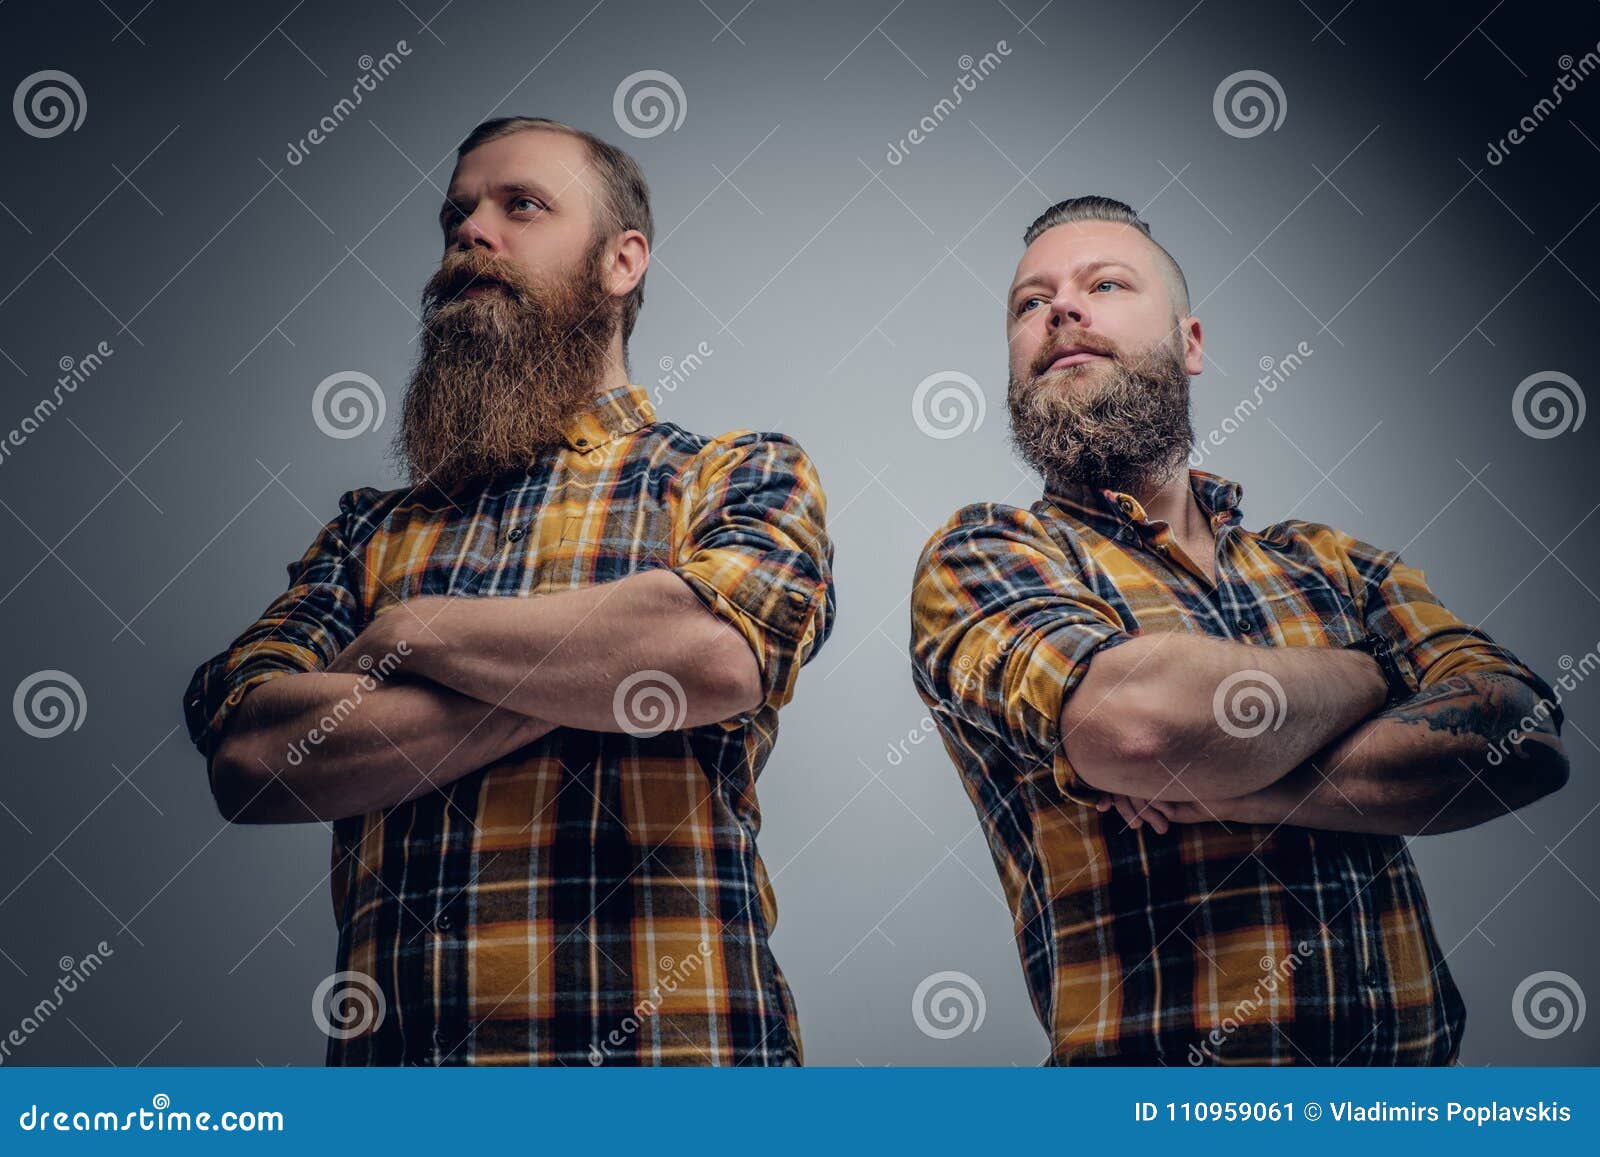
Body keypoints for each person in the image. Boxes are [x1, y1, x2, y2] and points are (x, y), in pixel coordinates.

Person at [182, 116, 834, 1066]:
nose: (471, 234)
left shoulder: (734, 475)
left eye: (520, 206)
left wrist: (417, 628)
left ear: (623, 262)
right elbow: (250, 754)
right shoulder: (370, 528)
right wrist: (594, 678)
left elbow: (710, 653)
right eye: (457, 216)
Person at [908, 195, 1568, 1065]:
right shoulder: (988, 554)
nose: (1060, 308)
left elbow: (1523, 736)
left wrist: (1235, 784)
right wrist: (1375, 676)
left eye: (1104, 283)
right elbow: (1137, 726)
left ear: (1190, 344)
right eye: (1030, 303)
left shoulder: (1334, 564)